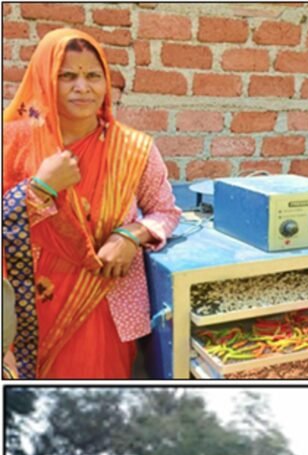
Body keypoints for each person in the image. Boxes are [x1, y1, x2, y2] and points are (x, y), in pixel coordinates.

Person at [2, 28, 180, 379]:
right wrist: (38, 188)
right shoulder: (12, 142)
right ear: (43, 80)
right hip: (26, 306)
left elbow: (167, 211)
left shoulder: (134, 149)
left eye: (93, 76)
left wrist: (132, 234)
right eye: (67, 76)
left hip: (103, 300)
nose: (82, 87)